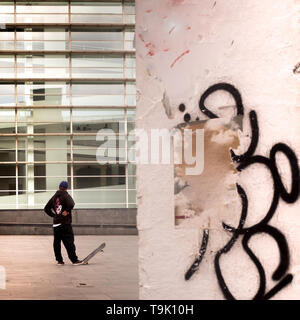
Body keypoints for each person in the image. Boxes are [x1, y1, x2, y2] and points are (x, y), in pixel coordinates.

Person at [44, 181, 83, 265]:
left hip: (56, 224)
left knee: (57, 242)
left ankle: (59, 260)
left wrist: (54, 215)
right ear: (66, 188)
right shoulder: (65, 195)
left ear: (59, 187)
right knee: (69, 241)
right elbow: (72, 204)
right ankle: (74, 260)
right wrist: (66, 211)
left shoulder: (54, 197)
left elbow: (46, 208)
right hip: (64, 223)